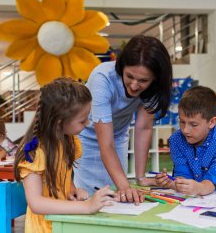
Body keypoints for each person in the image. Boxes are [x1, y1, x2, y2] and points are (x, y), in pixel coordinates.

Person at [73, 35, 173, 203]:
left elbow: (143, 128)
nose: (134, 85)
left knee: (116, 194)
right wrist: (125, 187)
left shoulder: (154, 87)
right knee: (90, 196)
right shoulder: (102, 78)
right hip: (86, 137)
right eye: (130, 76)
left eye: (143, 80)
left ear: (155, 79)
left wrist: (140, 178)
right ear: (122, 67)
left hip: (118, 135)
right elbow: (106, 144)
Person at [14, 77, 115, 233]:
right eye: (82, 121)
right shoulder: (35, 153)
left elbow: (63, 176)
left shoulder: (68, 140)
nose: (88, 123)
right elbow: (36, 203)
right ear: (60, 122)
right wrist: (86, 206)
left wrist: (72, 189)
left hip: (63, 220)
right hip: (44, 227)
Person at [155, 86, 216, 196]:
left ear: (212, 122)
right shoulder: (176, 139)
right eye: (182, 122)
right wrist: (173, 183)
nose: (185, 130)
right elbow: (182, 175)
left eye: (194, 124)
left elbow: (211, 182)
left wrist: (199, 187)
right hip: (190, 201)